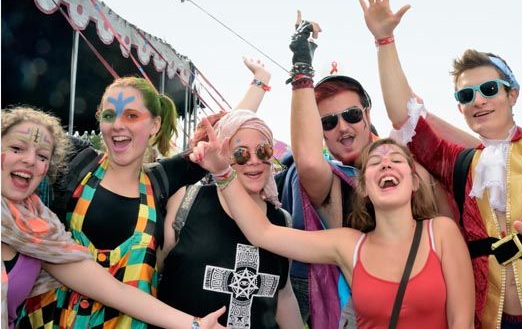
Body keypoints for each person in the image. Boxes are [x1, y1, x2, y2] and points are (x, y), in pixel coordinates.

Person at [358, 0, 522, 327]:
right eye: (466, 96)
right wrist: (384, 40)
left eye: (488, 89)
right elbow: (403, 120)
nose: (478, 101)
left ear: (511, 94)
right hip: (489, 320)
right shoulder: (458, 162)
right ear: (460, 108)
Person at [284, 11, 477, 328]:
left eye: (351, 115)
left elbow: (476, 160)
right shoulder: (332, 185)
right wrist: (302, 61)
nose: (343, 128)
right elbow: (306, 159)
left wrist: (418, 118)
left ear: (367, 112)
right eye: (328, 123)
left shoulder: (411, 163)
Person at [191, 119, 475, 328]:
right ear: (363, 187)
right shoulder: (348, 244)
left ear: (414, 181)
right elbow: (262, 232)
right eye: (375, 162)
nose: (386, 164)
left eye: (397, 160)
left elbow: (461, 321)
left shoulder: (441, 232)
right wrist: (223, 172)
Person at [1, 106, 227, 329]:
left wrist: (196, 325)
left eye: (42, 155)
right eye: (17, 148)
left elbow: (116, 291)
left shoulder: (39, 231)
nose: (30, 160)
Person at [157, 60, 303, 328]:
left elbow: (282, 293)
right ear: (223, 155)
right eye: (240, 153)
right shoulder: (187, 201)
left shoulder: (281, 220)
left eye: (263, 151)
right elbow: (155, 271)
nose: (254, 161)